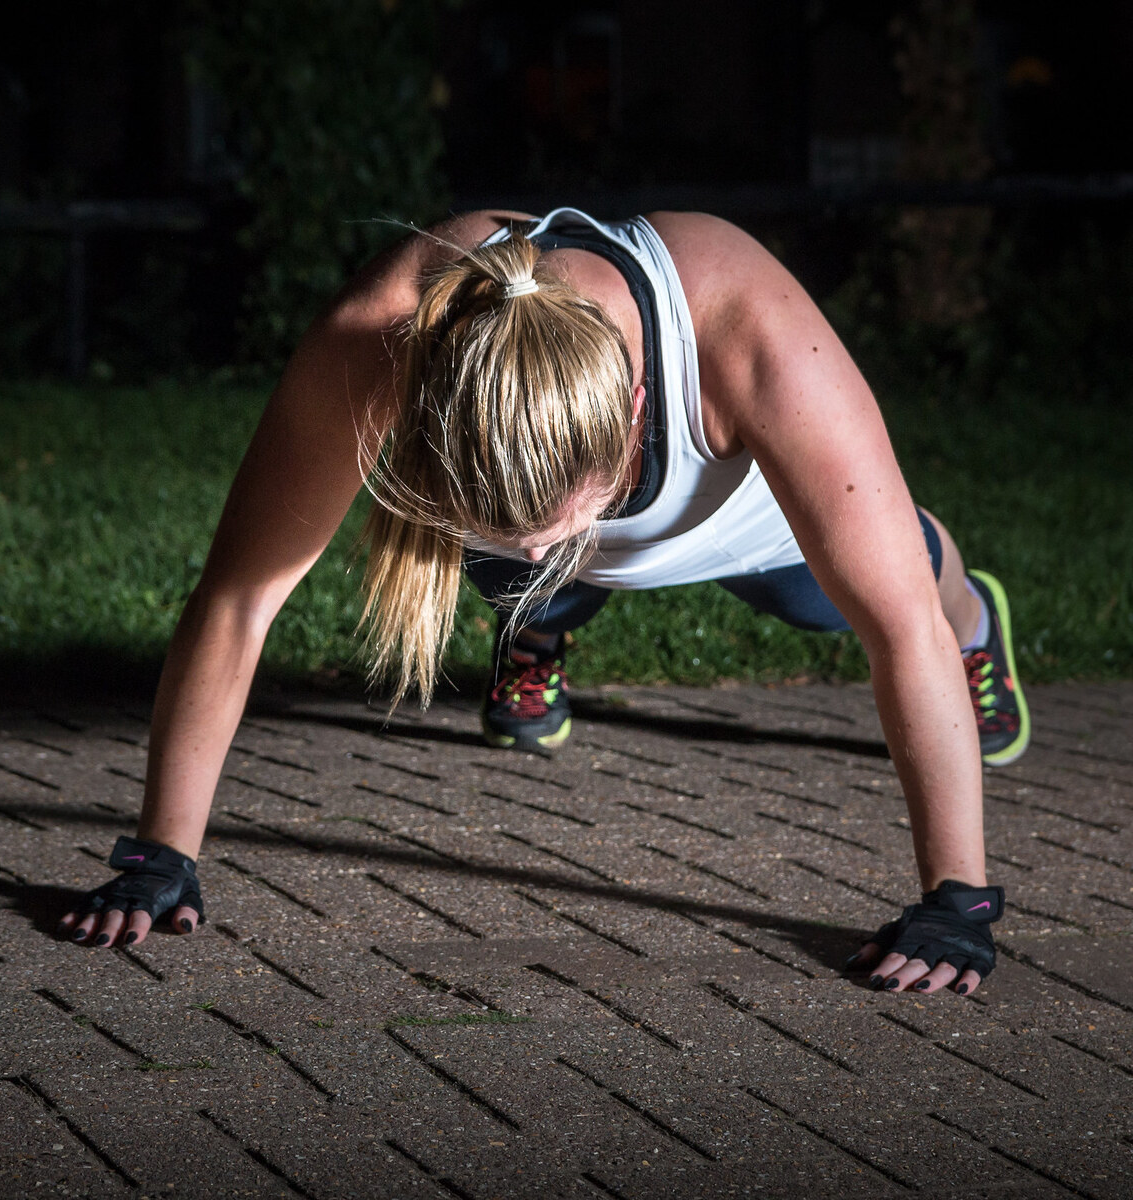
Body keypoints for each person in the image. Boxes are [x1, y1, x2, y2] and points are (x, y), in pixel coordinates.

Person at [56, 207, 1029, 996]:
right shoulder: (385, 332)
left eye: (552, 528)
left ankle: (978, 622)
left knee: (854, 594)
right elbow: (239, 596)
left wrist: (957, 897)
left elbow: (899, 628)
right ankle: (541, 630)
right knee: (519, 577)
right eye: (498, 522)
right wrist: (160, 854)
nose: (530, 547)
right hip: (556, 508)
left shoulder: (748, 331)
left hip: (743, 517)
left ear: (634, 414)